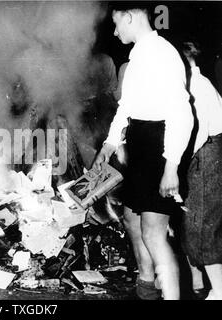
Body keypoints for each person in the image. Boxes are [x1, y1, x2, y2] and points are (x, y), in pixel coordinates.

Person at [93, 3, 193, 300]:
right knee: (131, 220)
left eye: (116, 24)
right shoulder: (138, 55)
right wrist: (109, 143)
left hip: (159, 145)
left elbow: (182, 113)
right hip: (138, 140)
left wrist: (171, 166)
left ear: (129, 17)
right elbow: (127, 106)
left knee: (153, 230)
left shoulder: (162, 53)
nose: (114, 31)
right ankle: (146, 286)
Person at [181, 40, 222, 300]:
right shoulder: (200, 82)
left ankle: (219, 291)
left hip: (208, 155)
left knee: (205, 226)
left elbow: (198, 133)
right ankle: (201, 284)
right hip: (206, 154)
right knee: (195, 222)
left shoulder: (197, 86)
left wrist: (180, 163)